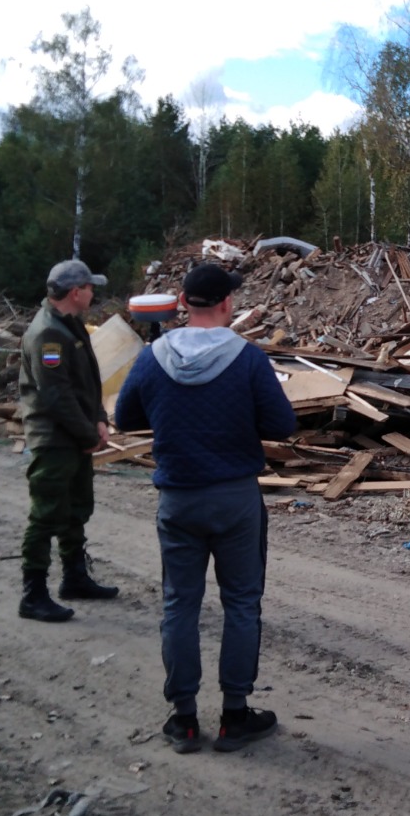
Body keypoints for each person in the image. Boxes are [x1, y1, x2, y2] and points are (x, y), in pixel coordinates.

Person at [114, 263, 296, 753]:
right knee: (240, 603)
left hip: (179, 497)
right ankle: (235, 716)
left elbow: (124, 417)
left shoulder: (153, 357)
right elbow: (282, 425)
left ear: (181, 299)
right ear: (227, 303)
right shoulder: (248, 359)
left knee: (180, 604)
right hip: (235, 498)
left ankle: (185, 719)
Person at [17, 258, 120, 622]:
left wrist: (99, 419)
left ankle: (75, 577)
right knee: (46, 515)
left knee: (76, 508)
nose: (94, 293)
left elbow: (89, 382)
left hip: (75, 435)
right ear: (76, 292)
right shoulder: (48, 333)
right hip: (54, 439)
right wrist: (87, 433)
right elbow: (54, 395)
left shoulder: (70, 325)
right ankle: (33, 594)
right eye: (91, 287)